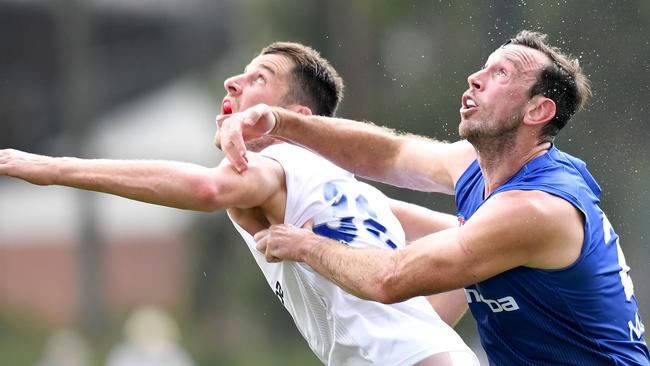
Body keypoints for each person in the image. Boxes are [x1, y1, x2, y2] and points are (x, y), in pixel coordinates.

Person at [0, 42, 478, 365]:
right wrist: (425, 335)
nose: (232, 82)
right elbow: (470, 245)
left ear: (296, 118)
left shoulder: (278, 162)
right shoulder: (363, 195)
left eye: (258, 78)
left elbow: (208, 190)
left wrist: (50, 168)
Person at [218, 31, 650, 364]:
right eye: (484, 68)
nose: (474, 79)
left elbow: (388, 280)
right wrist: (278, 122)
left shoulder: (534, 209)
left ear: (537, 111)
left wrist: (306, 244)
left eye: (500, 74)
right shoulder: (475, 166)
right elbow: (387, 152)